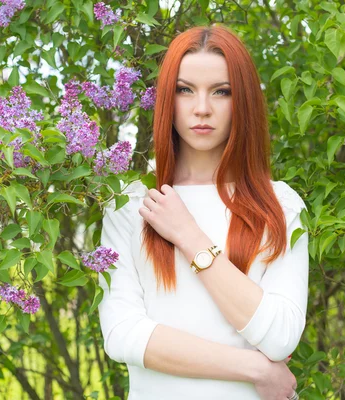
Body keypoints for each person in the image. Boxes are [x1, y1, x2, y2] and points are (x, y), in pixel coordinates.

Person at [98, 24, 308, 400]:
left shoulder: (279, 205)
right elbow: (122, 335)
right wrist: (256, 369)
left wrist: (188, 235)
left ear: (241, 100)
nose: (202, 108)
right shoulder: (131, 204)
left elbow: (280, 336)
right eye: (185, 90)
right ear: (167, 99)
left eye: (221, 92)